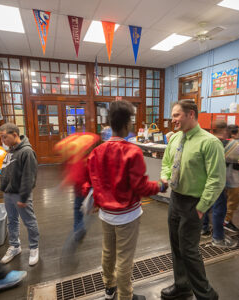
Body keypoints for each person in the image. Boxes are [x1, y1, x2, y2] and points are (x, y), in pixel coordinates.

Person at [84, 100, 166, 300]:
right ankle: (126, 296)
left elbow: (93, 182)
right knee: (124, 259)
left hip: (106, 214)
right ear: (128, 124)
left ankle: (109, 288)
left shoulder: (96, 152)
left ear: (110, 123)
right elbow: (141, 187)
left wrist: (97, 202)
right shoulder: (132, 151)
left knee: (108, 252)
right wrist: (161, 186)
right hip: (127, 216)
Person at [160, 100, 225, 300]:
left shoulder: (210, 142)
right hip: (176, 199)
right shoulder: (175, 139)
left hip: (194, 203)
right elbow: (167, 162)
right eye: (173, 116)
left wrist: (202, 207)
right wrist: (165, 175)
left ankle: (206, 295)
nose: (173, 120)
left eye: (176, 115)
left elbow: (216, 179)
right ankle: (182, 285)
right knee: (176, 245)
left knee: (189, 250)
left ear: (190, 114)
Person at [0, 123, 41, 266]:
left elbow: (29, 177)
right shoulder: (11, 150)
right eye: (1, 138)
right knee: (12, 221)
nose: (3, 141)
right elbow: (8, 171)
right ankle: (15, 246)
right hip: (8, 193)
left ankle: (34, 248)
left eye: (5, 137)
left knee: (29, 221)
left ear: (15, 135)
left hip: (21, 195)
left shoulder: (26, 152)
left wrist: (23, 197)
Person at [201, 121, 238, 248]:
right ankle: (218, 238)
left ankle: (203, 229)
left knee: (205, 205)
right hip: (217, 180)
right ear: (224, 131)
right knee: (219, 209)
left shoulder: (205, 141)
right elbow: (232, 161)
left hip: (204, 179)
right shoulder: (222, 144)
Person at [223, 124, 239, 234]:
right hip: (231, 179)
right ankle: (227, 222)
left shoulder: (222, 143)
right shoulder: (237, 145)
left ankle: (223, 220)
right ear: (233, 134)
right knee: (233, 202)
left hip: (221, 178)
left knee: (223, 202)